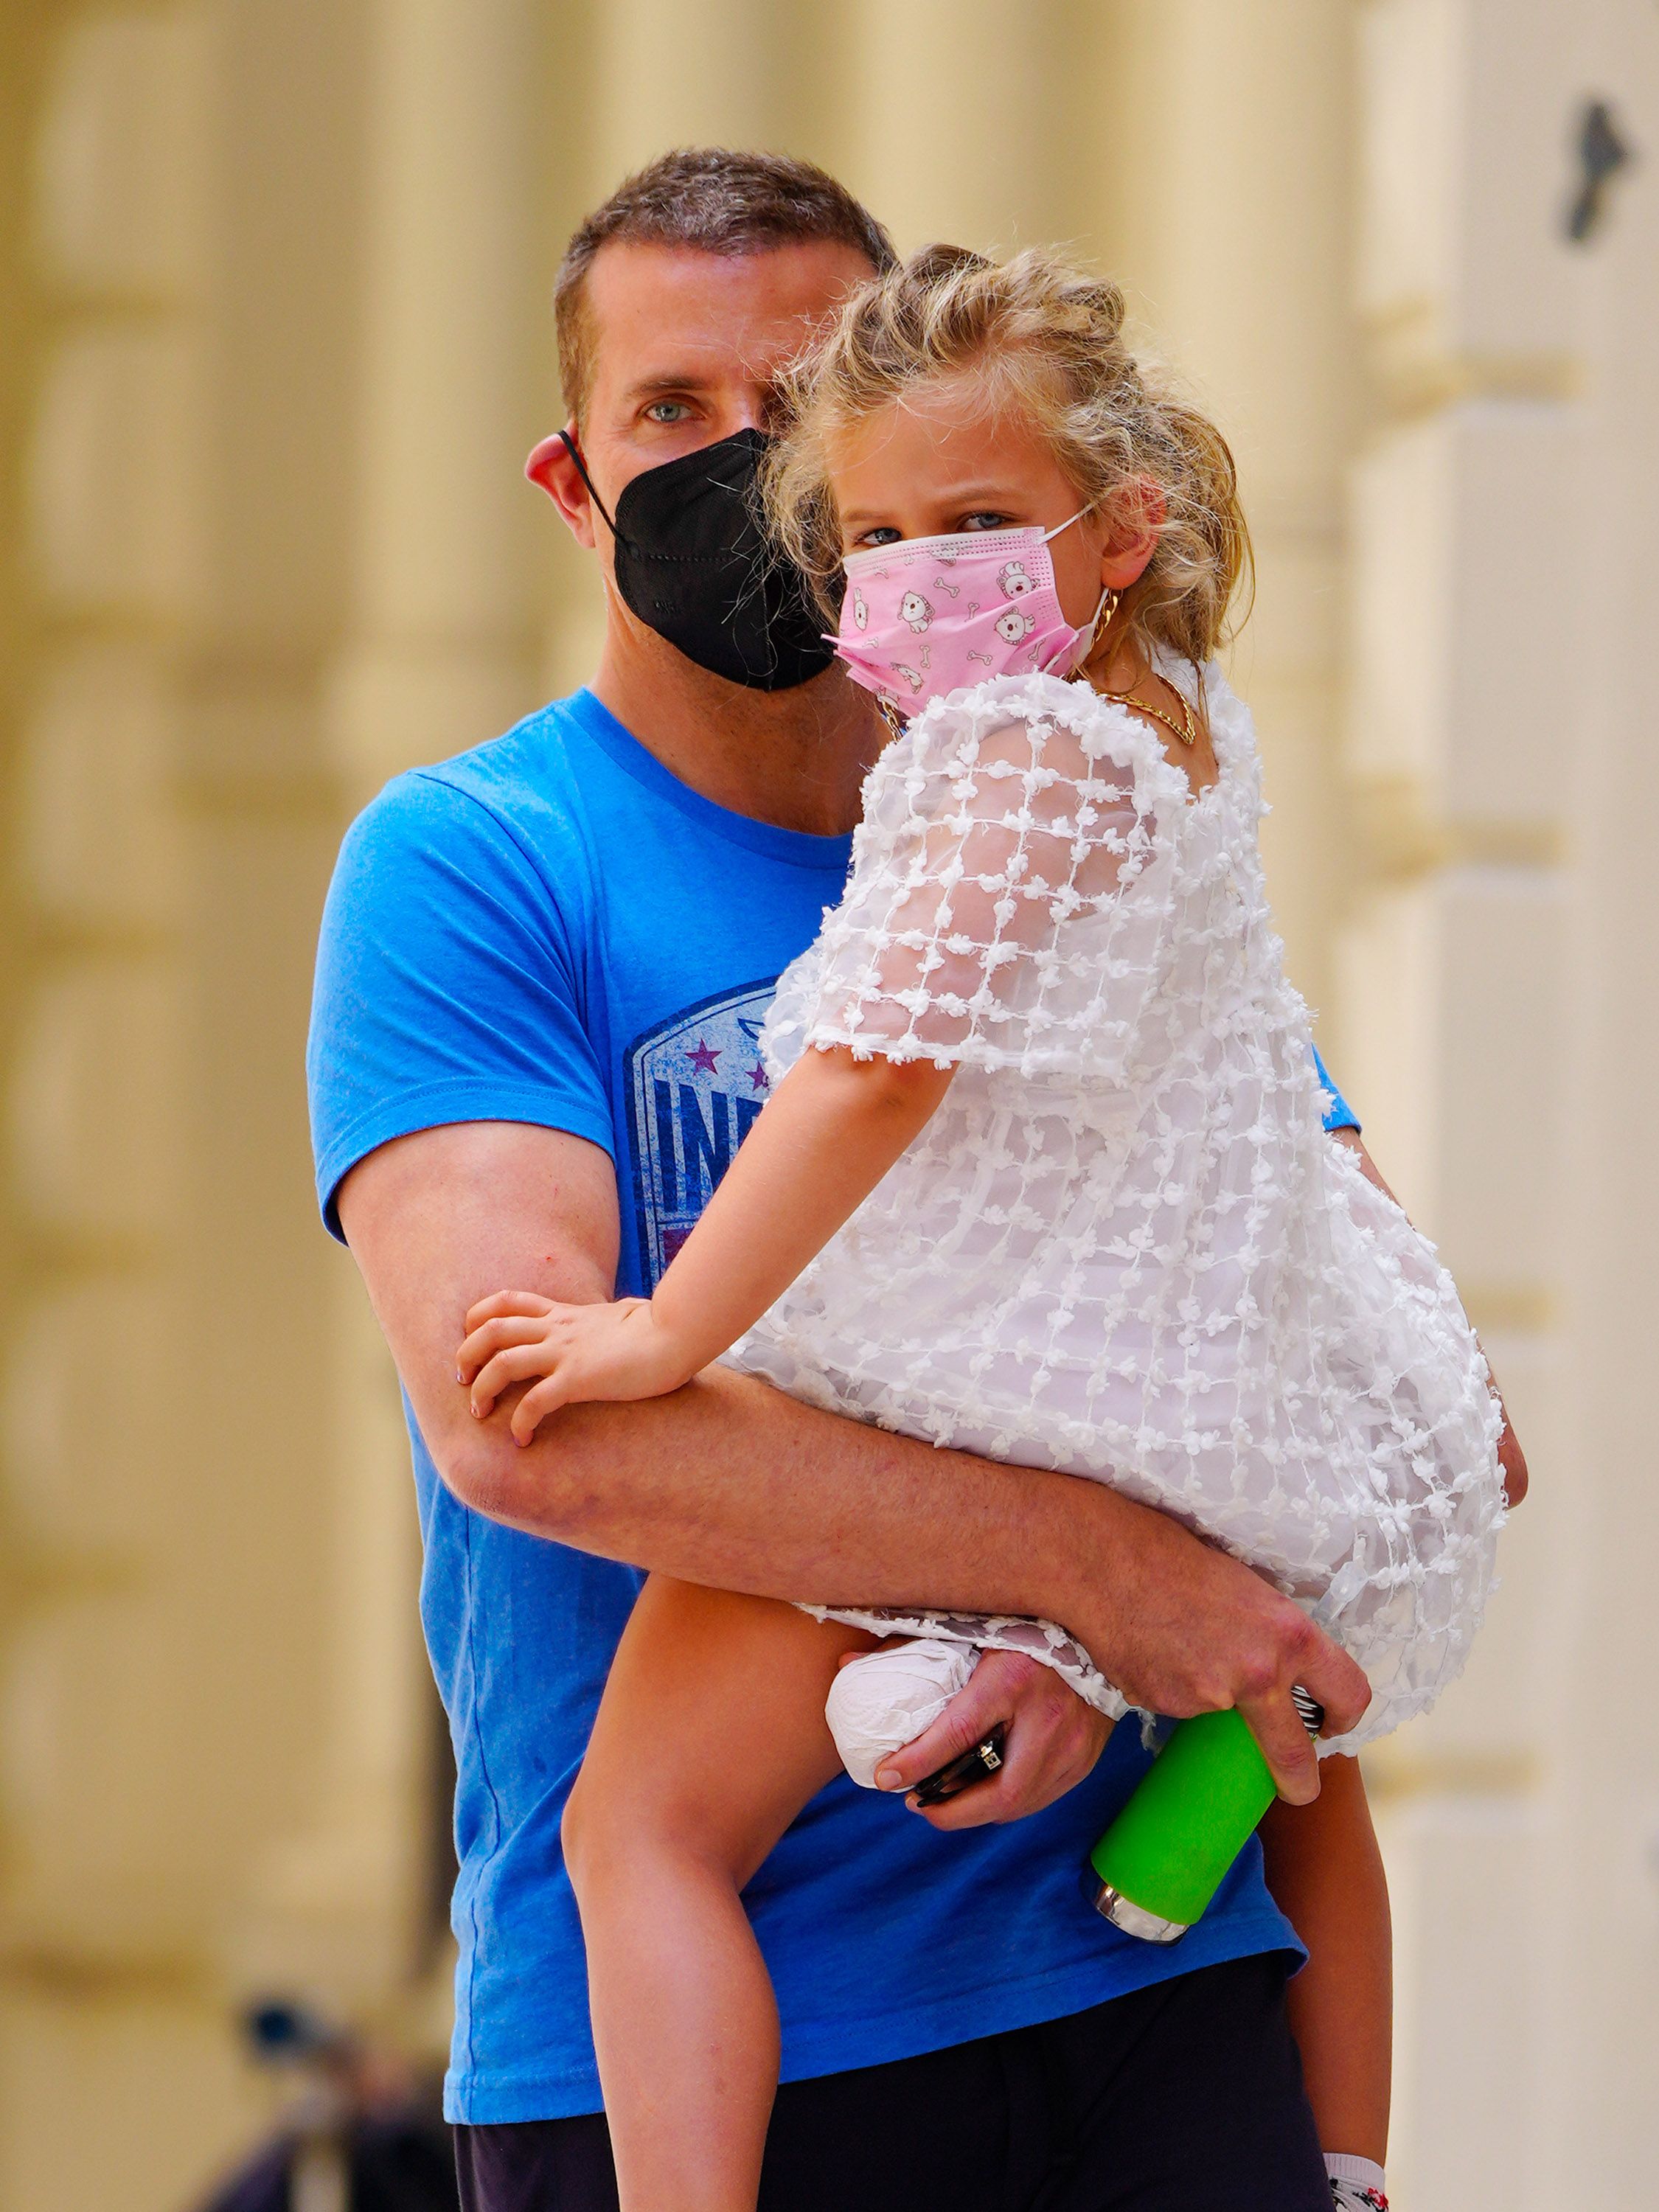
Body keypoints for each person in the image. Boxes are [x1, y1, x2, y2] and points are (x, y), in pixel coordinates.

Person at [309, 151, 1524, 2212]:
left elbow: (1303, 1265)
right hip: (730, 2059)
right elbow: (531, 1433)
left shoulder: (1052, 811)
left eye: (798, 405)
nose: (750, 465)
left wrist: (1122, 1604)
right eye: (672, 412)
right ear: (568, 477)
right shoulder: (478, 862)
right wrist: (1094, 1580)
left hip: (1149, 1979)